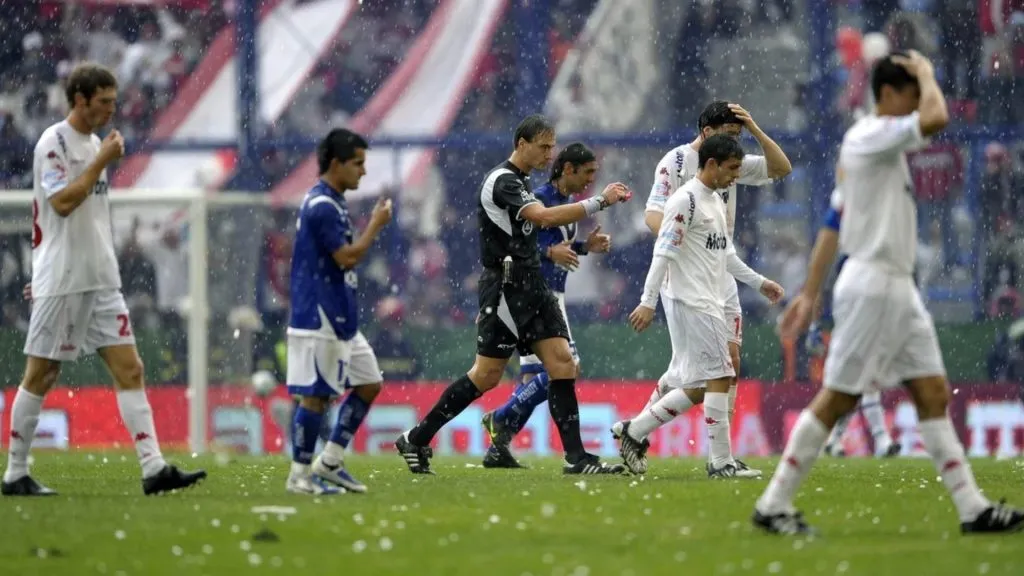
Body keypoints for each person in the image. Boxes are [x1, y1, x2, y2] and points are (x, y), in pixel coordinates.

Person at [755, 50, 1024, 535]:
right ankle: (773, 504)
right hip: (875, 283)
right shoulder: (871, 136)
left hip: (895, 287)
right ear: (888, 95)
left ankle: (972, 509)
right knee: (837, 399)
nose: (918, 101)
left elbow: (832, 227)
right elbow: (937, 118)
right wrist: (925, 69)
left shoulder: (874, 154)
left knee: (932, 392)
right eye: (911, 93)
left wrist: (810, 293)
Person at [2, 63, 205, 497]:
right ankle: (15, 473)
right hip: (63, 277)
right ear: (79, 99)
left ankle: (153, 469)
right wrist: (99, 161)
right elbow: (61, 204)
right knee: (41, 373)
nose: (113, 110)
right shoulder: (53, 143)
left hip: (101, 277)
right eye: (104, 102)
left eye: (114, 101)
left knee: (130, 368)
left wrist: (98, 156)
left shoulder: (96, 142)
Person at [395, 115, 631, 475]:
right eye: (544, 146)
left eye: (553, 146)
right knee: (486, 375)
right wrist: (600, 201)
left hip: (532, 285)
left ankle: (577, 458)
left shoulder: (520, 181)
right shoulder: (503, 181)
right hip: (507, 286)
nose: (550, 154)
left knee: (563, 364)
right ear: (521, 144)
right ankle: (418, 437)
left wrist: (580, 245)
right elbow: (543, 219)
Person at [626, 101, 790, 475]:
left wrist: (756, 127)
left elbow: (781, 168)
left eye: (739, 138)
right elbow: (655, 216)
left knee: (719, 368)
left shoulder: (724, 176)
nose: (738, 152)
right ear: (708, 135)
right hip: (688, 276)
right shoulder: (678, 165)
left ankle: (711, 451)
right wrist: (685, 240)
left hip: (721, 270)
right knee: (706, 373)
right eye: (731, 136)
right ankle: (711, 457)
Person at [478, 142, 612, 469]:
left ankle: (500, 443)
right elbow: (519, 247)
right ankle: (504, 418)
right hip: (540, 296)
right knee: (567, 367)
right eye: (588, 172)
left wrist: (582, 246)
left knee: (532, 379)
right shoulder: (538, 200)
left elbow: (551, 245)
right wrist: (550, 254)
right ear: (568, 169)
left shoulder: (563, 203)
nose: (591, 180)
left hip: (543, 294)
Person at [285, 128, 392, 495]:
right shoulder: (321, 206)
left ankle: (329, 461)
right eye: (358, 164)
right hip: (320, 314)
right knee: (316, 396)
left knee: (369, 382)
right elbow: (346, 257)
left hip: (341, 315)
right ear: (336, 164)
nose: (363, 172)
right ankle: (299, 475)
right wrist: (375, 227)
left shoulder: (332, 202)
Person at [804, 184, 901, 458]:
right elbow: (821, 289)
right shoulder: (845, 258)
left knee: (851, 382)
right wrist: (815, 327)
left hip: (861, 322)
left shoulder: (865, 254)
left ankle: (833, 440)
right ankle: (878, 441)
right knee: (854, 381)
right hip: (848, 324)